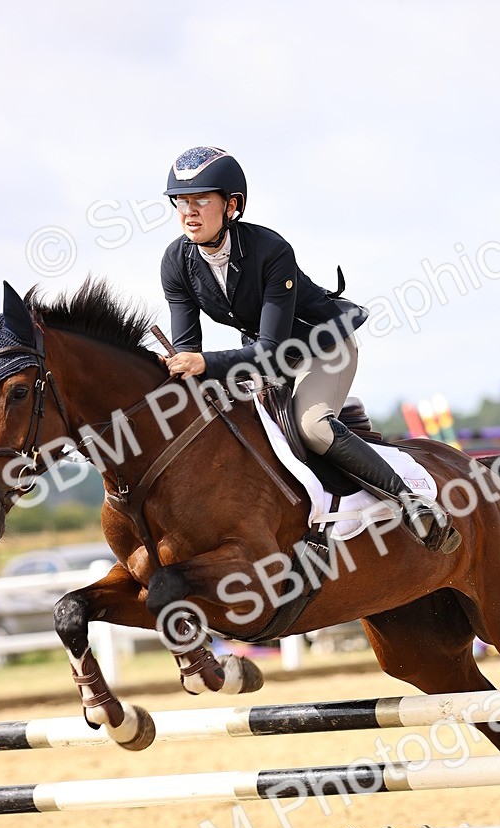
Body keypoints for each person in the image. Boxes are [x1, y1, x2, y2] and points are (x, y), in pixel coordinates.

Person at [160, 145, 459, 553]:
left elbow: (269, 350)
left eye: (201, 200)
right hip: (267, 359)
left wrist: (202, 364)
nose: (188, 211)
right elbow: (188, 350)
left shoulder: (270, 250)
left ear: (231, 205)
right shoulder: (176, 262)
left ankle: (412, 503)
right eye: (181, 201)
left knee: (313, 427)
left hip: (323, 345)